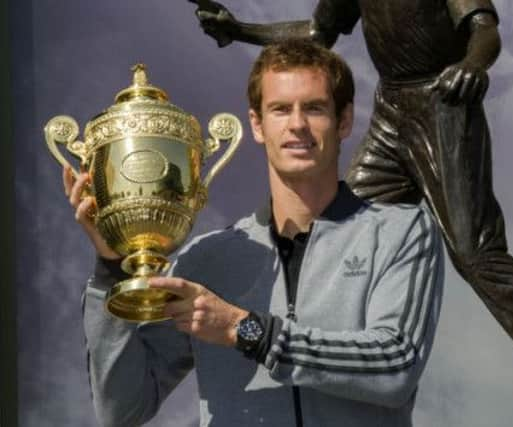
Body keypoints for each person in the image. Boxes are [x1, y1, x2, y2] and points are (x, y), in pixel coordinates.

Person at [191, 1, 513, 425]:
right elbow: (318, 33)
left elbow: (485, 30)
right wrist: (240, 30)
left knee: (476, 255)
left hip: (444, 103)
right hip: (392, 112)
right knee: (335, 229)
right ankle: (333, 385)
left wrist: (474, 64)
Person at [65, 39, 444, 426]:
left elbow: (394, 365)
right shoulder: (207, 259)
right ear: (258, 125)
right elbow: (120, 410)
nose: (297, 124)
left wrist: (243, 329)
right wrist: (111, 268)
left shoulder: (401, 231)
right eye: (280, 109)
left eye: (314, 108)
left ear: (344, 120)